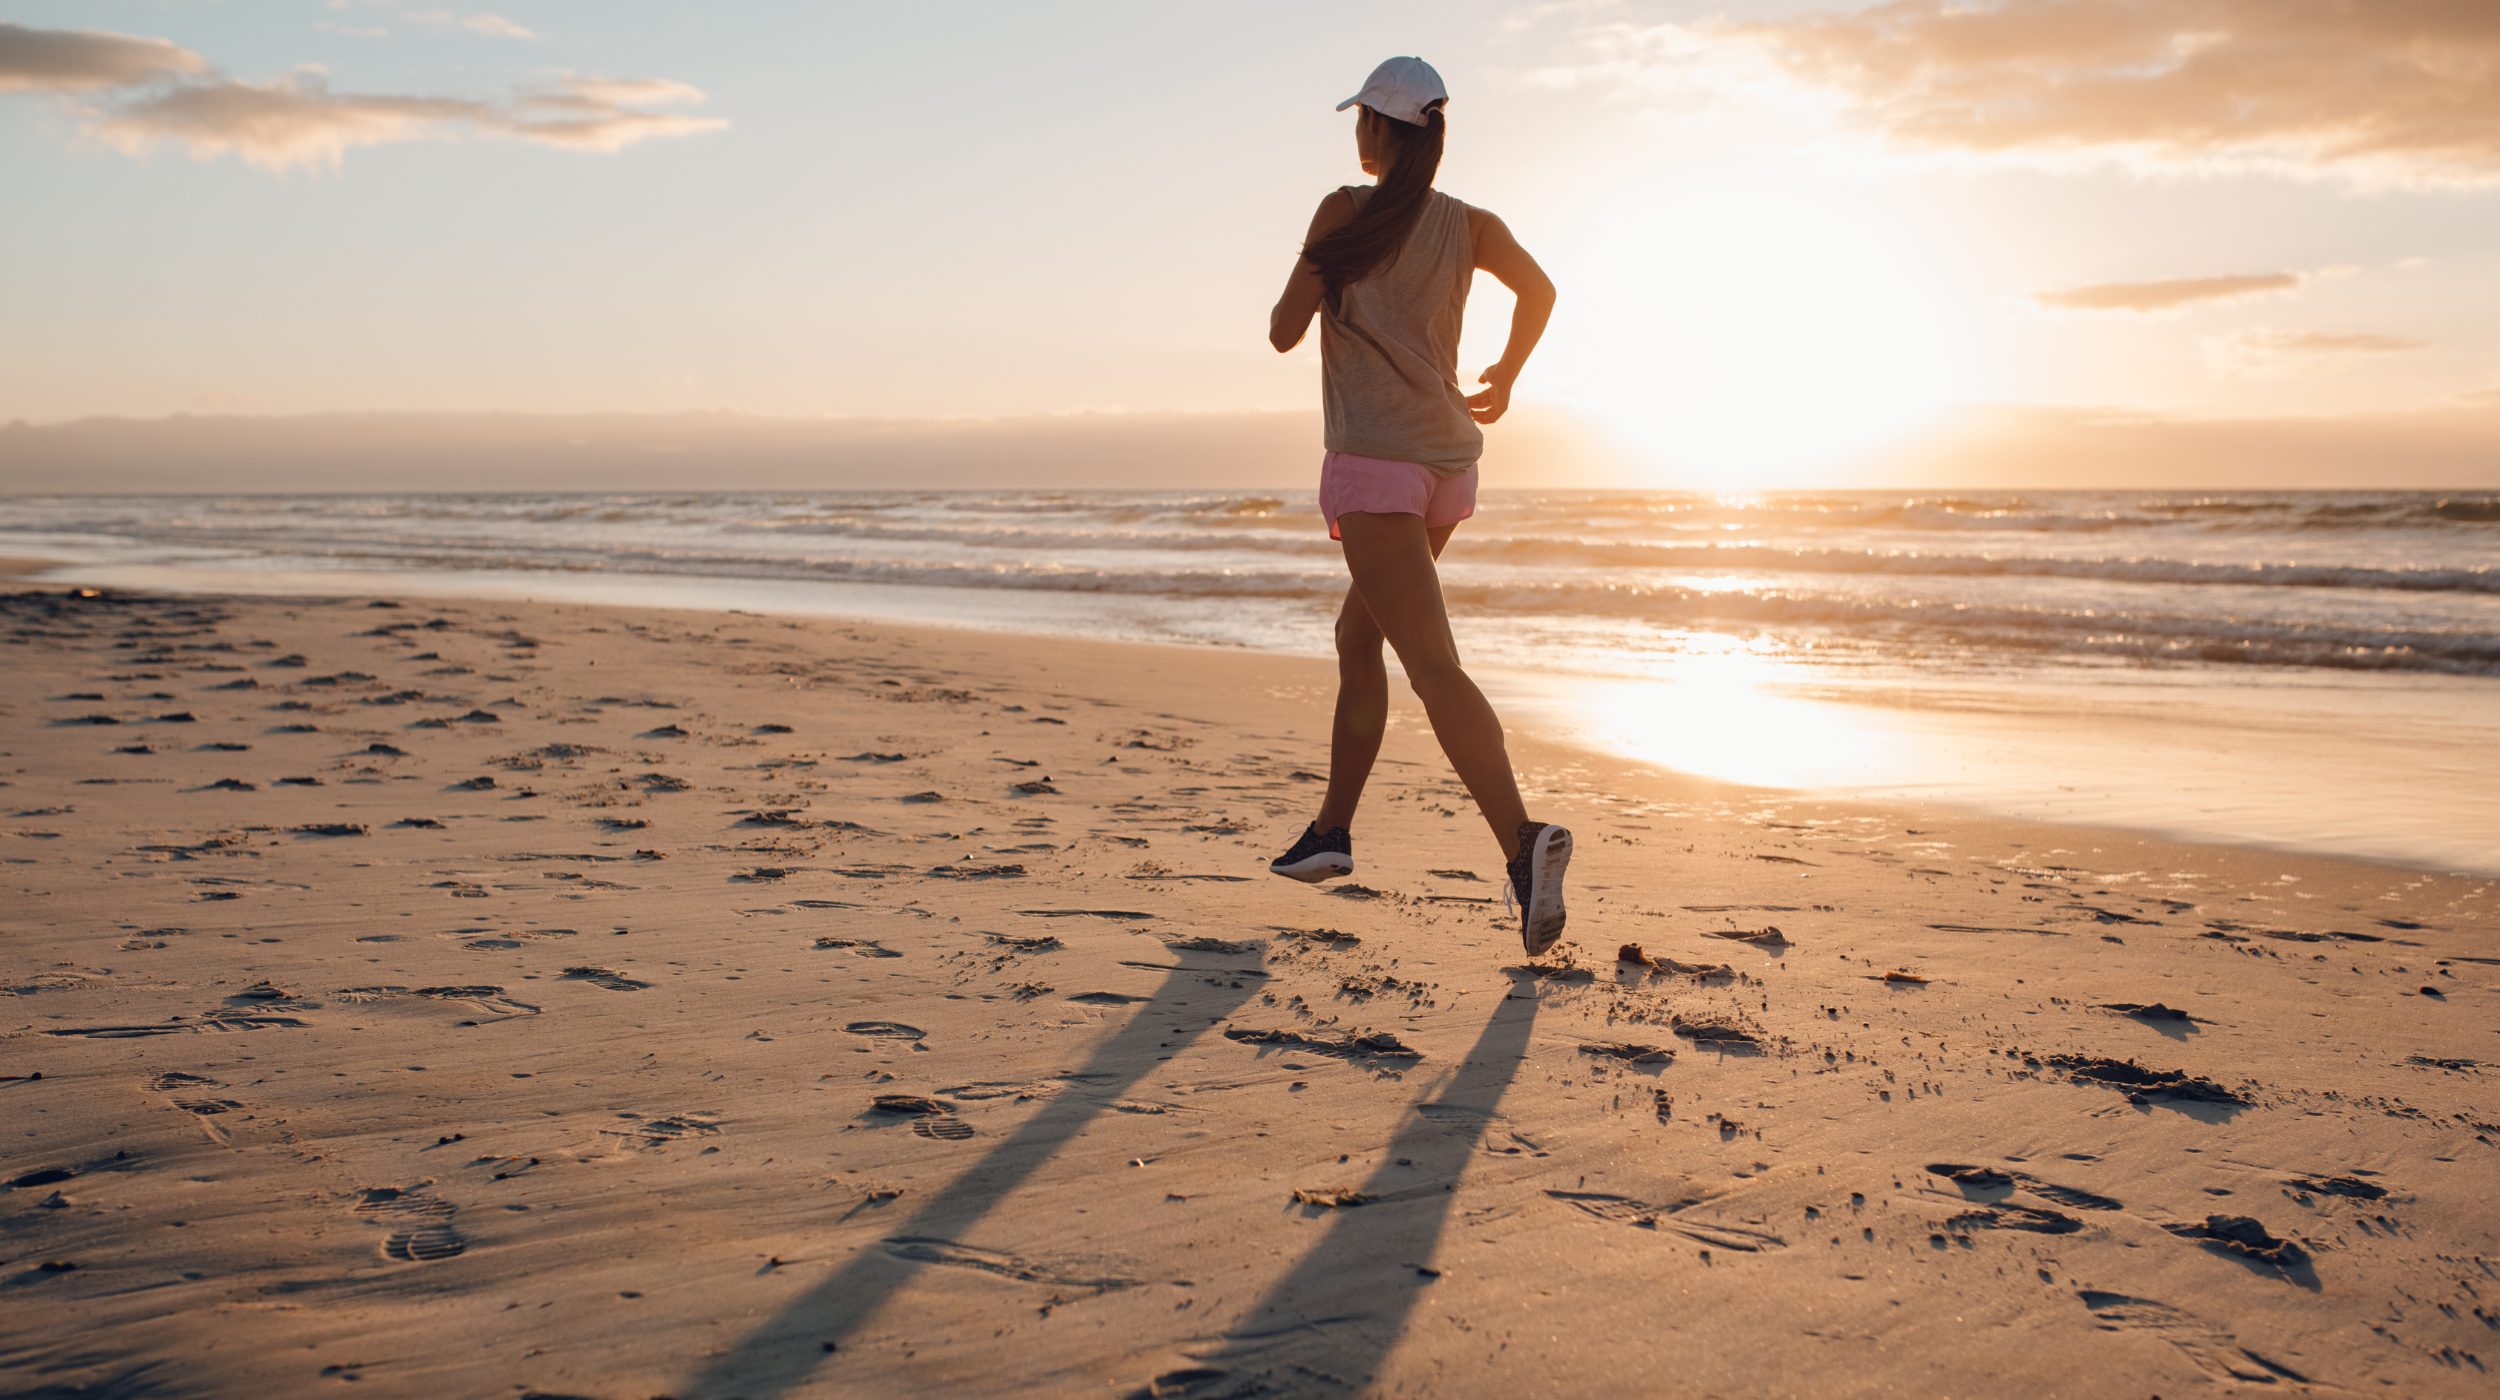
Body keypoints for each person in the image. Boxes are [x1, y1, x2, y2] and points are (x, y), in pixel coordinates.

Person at [1263, 56, 1571, 957]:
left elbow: (1283, 330)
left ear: (1381, 130)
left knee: (1432, 665)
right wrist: (1506, 376)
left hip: (1376, 467)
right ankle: (1330, 835)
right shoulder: (1472, 224)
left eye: (1361, 118)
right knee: (1361, 638)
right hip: (1447, 468)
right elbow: (1541, 291)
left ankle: (1523, 844)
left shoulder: (1343, 213)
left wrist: (1321, 275)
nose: (1355, 132)